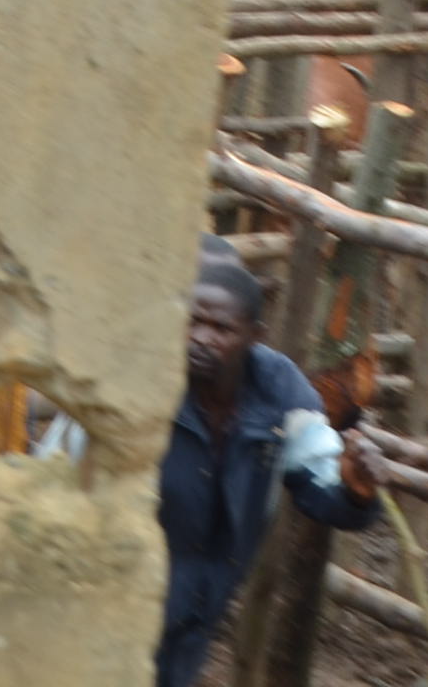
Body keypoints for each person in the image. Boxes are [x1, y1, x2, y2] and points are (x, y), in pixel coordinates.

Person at [157, 257, 377, 687]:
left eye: (221, 329)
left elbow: (323, 480)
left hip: (199, 605)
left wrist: (356, 490)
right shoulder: (147, 378)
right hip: (125, 589)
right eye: (193, 322)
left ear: (254, 337)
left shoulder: (279, 391)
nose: (201, 338)